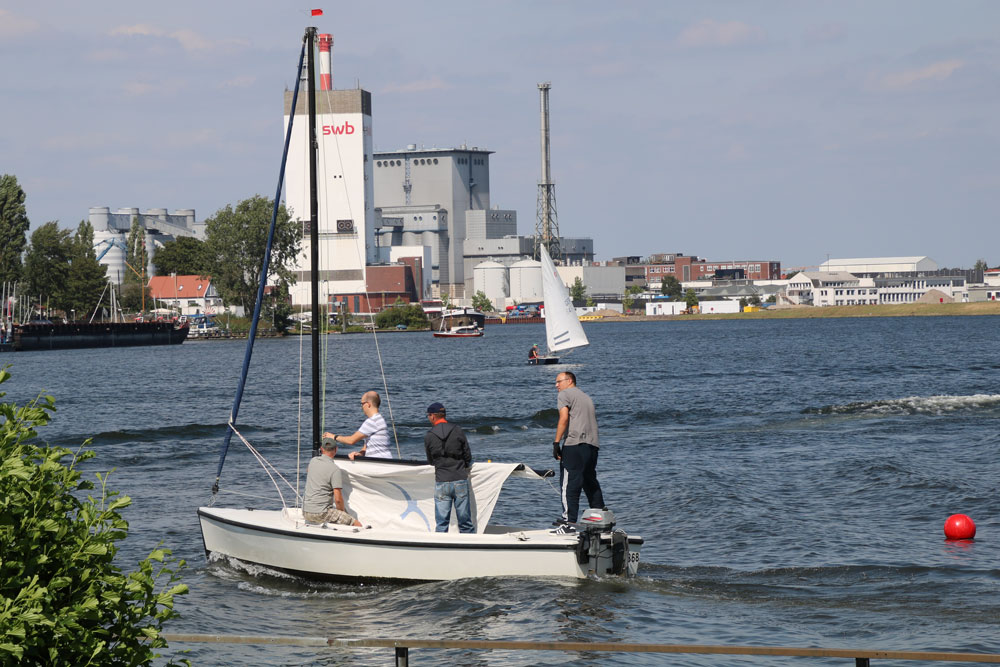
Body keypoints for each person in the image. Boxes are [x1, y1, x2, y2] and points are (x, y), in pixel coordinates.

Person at [551, 371, 605, 533]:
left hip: (574, 445)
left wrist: (556, 442)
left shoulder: (565, 394)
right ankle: (601, 520)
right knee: (590, 483)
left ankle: (569, 523)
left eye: (558, 381)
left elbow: (564, 418)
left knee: (569, 485)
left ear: (569, 381)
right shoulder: (586, 397)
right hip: (592, 447)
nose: (556, 385)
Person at [424, 402, 475, 533]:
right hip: (459, 479)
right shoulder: (457, 430)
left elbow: (431, 461)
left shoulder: (430, 435)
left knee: (441, 524)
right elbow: (467, 456)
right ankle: (470, 548)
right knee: (465, 523)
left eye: (428, 416)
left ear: (433, 416)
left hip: (442, 481)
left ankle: (441, 551)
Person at [303, 435, 362, 526]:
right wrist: (343, 514)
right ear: (336, 449)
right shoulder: (335, 470)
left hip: (306, 511)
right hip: (321, 513)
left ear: (321, 449)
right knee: (357, 524)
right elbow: (338, 500)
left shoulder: (313, 461)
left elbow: (309, 471)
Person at [323, 390, 392, 461]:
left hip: (380, 462)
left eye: (362, 404)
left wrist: (333, 437)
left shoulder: (372, 421)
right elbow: (366, 447)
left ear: (368, 404)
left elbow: (351, 440)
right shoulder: (379, 419)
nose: (361, 407)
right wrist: (360, 454)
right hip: (380, 461)